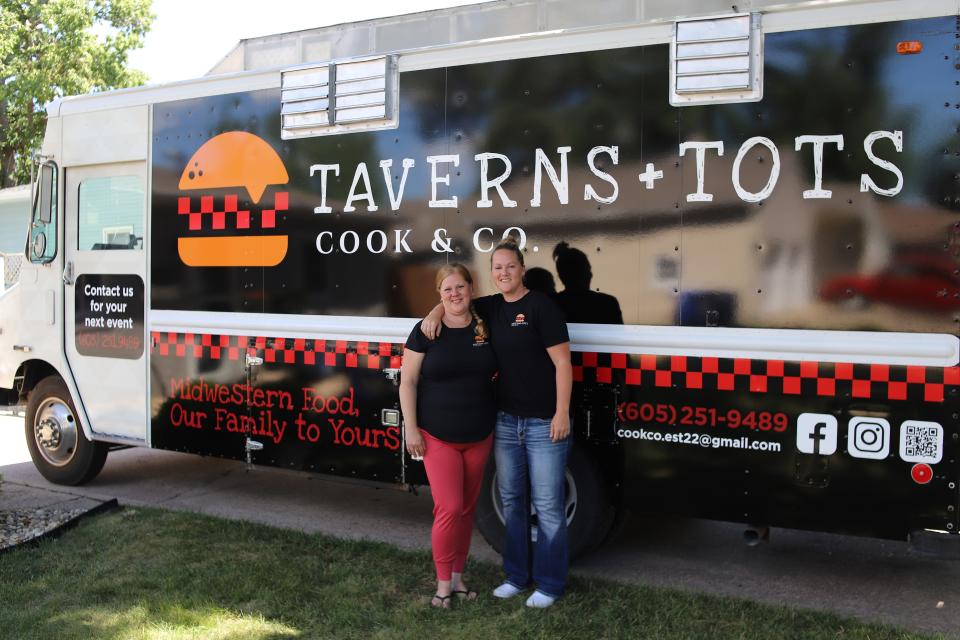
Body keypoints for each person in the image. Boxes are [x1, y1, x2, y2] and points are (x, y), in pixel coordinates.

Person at [422, 238, 573, 609]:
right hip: (504, 422)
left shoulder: (541, 306)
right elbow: (453, 298)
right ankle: (517, 577)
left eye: (510, 266)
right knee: (512, 501)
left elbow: (563, 364)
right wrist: (434, 314)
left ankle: (550, 584)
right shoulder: (488, 308)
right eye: (497, 268)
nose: (504, 273)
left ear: (522, 269)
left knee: (549, 505)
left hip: (542, 423)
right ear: (491, 276)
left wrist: (561, 412)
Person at [399, 263, 497, 609]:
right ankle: (442, 585)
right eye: (447, 290)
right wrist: (410, 428)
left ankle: (458, 579)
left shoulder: (486, 321)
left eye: (460, 287)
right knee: (449, 507)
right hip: (437, 435)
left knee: (467, 509)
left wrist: (441, 308)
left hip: (479, 434)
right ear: (439, 294)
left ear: (472, 288)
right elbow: (408, 381)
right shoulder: (426, 330)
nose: (454, 294)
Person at [552, 241, 623, 324]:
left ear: (561, 276)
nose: (591, 275)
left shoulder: (551, 305)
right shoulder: (607, 304)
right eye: (587, 270)